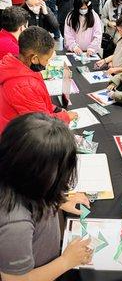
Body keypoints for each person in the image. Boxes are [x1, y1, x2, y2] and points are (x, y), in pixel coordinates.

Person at [0, 112, 92, 280]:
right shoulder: (15, 224)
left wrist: (58, 202)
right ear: (39, 174)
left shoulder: (18, 179)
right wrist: (66, 261)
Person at [0, 26, 77, 133]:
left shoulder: (19, 66)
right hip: (19, 139)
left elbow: (34, 103)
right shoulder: (23, 86)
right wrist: (66, 117)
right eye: (46, 59)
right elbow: (43, 124)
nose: (47, 63)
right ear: (34, 58)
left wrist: (53, 108)